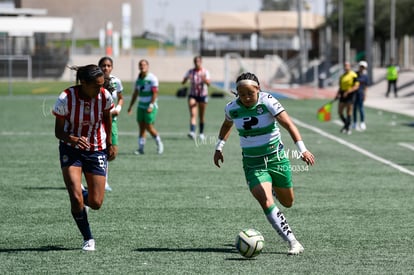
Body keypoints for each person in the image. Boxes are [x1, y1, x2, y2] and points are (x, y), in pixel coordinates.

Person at [213, 72, 315, 255]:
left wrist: (303, 149)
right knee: (265, 200)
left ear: (258, 90)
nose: (246, 98)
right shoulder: (232, 108)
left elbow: (290, 125)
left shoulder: (268, 102)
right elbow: (227, 125)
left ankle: (274, 187)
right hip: (253, 164)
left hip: (276, 159)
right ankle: (293, 241)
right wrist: (219, 147)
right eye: (242, 94)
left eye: (249, 94)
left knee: (288, 201)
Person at [52, 64, 114, 251]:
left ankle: (80, 193)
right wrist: (72, 138)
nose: (100, 88)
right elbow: (58, 131)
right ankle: (88, 238)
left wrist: (110, 143)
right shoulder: (65, 98)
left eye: (102, 84)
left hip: (96, 148)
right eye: (96, 85)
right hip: (71, 149)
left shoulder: (104, 96)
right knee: (76, 198)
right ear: (84, 83)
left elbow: (107, 118)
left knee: (96, 203)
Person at [127, 59, 164, 155]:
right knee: (141, 127)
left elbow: (155, 93)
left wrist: (151, 105)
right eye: (140, 65)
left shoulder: (152, 78)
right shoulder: (138, 80)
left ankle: (159, 143)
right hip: (141, 106)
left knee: (149, 127)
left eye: (144, 65)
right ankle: (141, 148)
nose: (142, 66)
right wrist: (131, 106)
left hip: (150, 106)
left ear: (148, 66)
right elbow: (135, 94)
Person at [98, 56, 124, 191]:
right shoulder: (95, 81)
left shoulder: (116, 81)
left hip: (112, 121)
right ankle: (103, 181)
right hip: (98, 121)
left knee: (112, 153)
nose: (106, 68)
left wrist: (118, 108)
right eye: (103, 65)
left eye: (108, 65)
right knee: (103, 151)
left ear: (112, 67)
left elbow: (121, 98)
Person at [181, 56, 211, 140]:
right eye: (195, 61)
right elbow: (183, 82)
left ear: (201, 62)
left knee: (201, 116)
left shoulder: (205, 72)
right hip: (193, 95)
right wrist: (186, 79)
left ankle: (201, 133)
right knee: (193, 114)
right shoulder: (190, 71)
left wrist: (204, 79)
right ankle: (192, 132)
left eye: (198, 61)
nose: (197, 63)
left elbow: (209, 83)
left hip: (203, 95)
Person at [335, 61, 359, 135]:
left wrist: (348, 92)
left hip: (350, 95)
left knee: (349, 112)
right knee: (340, 112)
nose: (346, 67)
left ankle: (347, 128)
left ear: (350, 66)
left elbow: (356, 86)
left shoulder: (353, 75)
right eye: (345, 65)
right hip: (343, 94)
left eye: (347, 65)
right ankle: (347, 125)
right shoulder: (342, 76)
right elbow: (340, 87)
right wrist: (337, 94)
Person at [352, 61, 369, 131]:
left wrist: (365, 94)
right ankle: (355, 122)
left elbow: (366, 86)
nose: (362, 68)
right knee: (354, 109)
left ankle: (362, 122)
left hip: (361, 94)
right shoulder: (355, 74)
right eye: (361, 67)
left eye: (363, 67)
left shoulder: (365, 76)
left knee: (361, 109)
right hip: (354, 94)